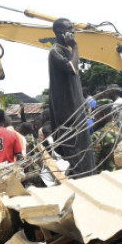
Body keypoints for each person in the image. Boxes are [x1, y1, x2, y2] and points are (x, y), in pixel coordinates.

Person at [48, 18, 96, 176]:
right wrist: (75, 46)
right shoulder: (56, 52)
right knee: (73, 148)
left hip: (77, 109)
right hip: (67, 111)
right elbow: (72, 68)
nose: (73, 33)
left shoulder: (68, 51)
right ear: (59, 32)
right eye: (69, 30)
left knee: (84, 148)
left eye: (73, 29)